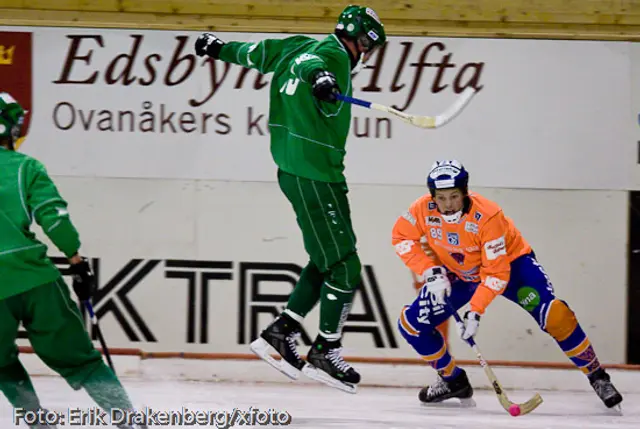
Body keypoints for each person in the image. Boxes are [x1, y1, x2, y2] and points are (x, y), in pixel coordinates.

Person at [194, 4, 386, 392]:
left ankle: (280, 332)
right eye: (368, 44)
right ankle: (324, 350)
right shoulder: (330, 56)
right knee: (346, 267)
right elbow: (314, 63)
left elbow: (253, 54)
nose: (366, 53)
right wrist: (320, 77)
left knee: (325, 259)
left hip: (302, 172)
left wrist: (216, 48)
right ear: (360, 38)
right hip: (314, 174)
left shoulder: (294, 45)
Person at [391, 159, 623, 409]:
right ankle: (452, 380)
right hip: (458, 273)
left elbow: (496, 273)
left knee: (556, 316)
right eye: (441, 198)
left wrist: (475, 311)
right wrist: (430, 271)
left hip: (512, 267)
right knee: (412, 325)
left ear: (465, 192)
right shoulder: (422, 209)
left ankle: (598, 376)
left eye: (454, 196)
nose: (447, 205)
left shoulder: (488, 216)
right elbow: (401, 237)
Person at [0, 92, 143, 428]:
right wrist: (76, 262)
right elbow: (54, 219)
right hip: (35, 280)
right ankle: (127, 421)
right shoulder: (26, 168)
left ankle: (37, 422)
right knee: (81, 359)